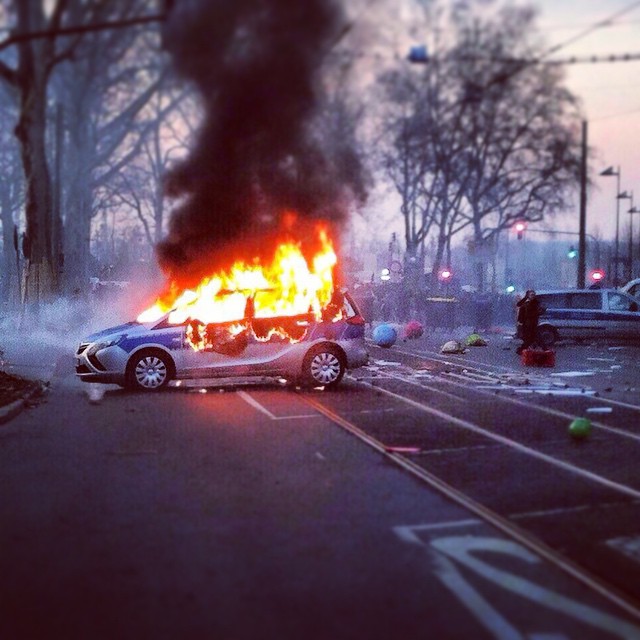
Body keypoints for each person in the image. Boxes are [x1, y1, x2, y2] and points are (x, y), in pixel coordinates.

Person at [516, 290, 544, 354]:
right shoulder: (526, 302)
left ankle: (523, 350)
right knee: (529, 337)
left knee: (533, 337)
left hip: (532, 322)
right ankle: (523, 350)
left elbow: (538, 311)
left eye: (534, 295)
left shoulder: (535, 303)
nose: (533, 296)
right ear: (528, 296)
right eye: (531, 295)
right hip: (526, 323)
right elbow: (518, 304)